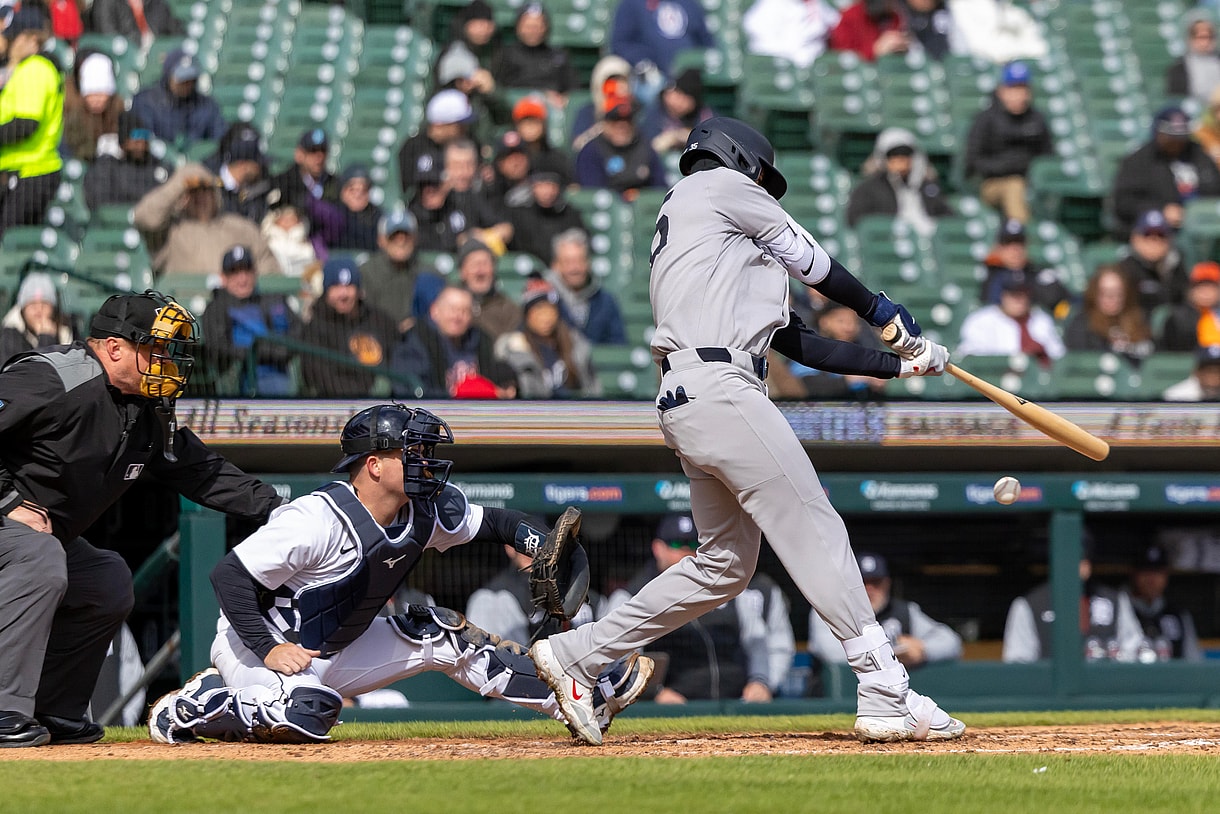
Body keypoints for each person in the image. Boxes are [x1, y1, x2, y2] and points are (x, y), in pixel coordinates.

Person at [526, 117, 962, 746]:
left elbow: (796, 341)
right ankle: (885, 686)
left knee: (726, 564)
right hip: (720, 388)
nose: (762, 187)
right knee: (814, 523)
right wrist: (880, 309)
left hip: (692, 394)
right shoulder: (718, 186)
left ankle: (579, 656)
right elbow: (813, 262)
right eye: (760, 176)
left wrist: (897, 363)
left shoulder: (711, 246)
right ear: (735, 158)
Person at [148, 404, 654, 745]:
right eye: (410, 452)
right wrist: (267, 649)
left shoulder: (425, 508)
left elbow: (498, 521)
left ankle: (572, 694)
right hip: (259, 648)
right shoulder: (316, 517)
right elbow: (229, 576)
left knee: (444, 633)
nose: (424, 461)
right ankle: (203, 703)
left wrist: (538, 543)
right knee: (309, 713)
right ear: (372, 465)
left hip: (338, 646)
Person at [0, 291, 283, 748]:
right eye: (154, 349)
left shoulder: (146, 409)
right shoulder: (54, 376)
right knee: (40, 557)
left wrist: (282, 509)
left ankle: (53, 710)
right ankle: (3, 709)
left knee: (107, 580)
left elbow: (202, 472)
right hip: (10, 524)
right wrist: (8, 498)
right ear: (114, 348)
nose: (166, 361)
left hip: (37, 538)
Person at [603, 513, 795, 703]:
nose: (686, 553)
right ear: (658, 548)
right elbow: (615, 660)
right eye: (677, 545)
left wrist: (760, 682)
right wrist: (653, 693)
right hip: (670, 706)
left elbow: (757, 641)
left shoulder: (727, 588)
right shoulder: (633, 595)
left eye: (694, 546)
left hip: (735, 703)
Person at [809, 552, 961, 671]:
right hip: (837, 697)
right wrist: (892, 653)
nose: (869, 590)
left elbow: (951, 642)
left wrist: (922, 651)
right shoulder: (830, 610)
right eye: (862, 582)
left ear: (887, 584)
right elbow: (831, 653)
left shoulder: (904, 611)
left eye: (876, 582)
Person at [1002, 539, 1143, 663]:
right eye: (1075, 558)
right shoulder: (1030, 604)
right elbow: (1018, 662)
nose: (1083, 565)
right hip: (1050, 691)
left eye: (1085, 558)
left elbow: (1133, 651)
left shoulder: (1114, 600)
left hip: (1107, 689)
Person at [133, 162, 281, 277]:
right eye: (193, 192)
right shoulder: (171, 230)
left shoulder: (240, 228)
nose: (200, 198)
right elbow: (145, 218)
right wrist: (180, 182)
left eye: (205, 190)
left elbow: (268, 265)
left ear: (215, 194)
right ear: (182, 197)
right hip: (182, 307)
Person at [199, 245, 299, 396]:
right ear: (223, 277)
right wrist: (261, 352)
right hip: (240, 377)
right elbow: (219, 348)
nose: (243, 278)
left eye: (247, 271)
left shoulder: (271, 301)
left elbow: (298, 331)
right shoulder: (216, 308)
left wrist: (276, 351)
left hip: (279, 372)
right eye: (235, 272)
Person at [964, 60, 1053, 224]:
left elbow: (1048, 156)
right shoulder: (986, 119)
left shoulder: (1036, 119)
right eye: (1013, 89)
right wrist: (1008, 166)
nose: (1018, 95)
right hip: (992, 183)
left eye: (1022, 89)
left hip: (1031, 181)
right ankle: (1025, 237)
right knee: (1014, 186)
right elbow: (974, 161)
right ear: (1001, 91)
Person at [389, 284, 517, 400]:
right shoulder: (415, 341)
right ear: (435, 311)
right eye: (452, 309)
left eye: (464, 311)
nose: (457, 317)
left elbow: (496, 373)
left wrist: (505, 386)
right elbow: (410, 390)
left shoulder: (480, 340)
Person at [1111, 106, 1220, 239]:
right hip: (1159, 232)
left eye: (1181, 137)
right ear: (1158, 133)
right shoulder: (1139, 161)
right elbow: (1124, 203)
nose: (1176, 142)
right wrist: (1161, 210)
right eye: (1171, 137)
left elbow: (1215, 188)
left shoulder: (1199, 155)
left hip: (1204, 226)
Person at [0, 7, 63, 237]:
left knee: (9, 242)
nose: (8, 44)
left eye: (13, 38)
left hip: (32, 172)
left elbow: (25, 124)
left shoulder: (35, 69)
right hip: (22, 172)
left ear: (29, 39)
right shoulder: (23, 70)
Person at [467, 539, 601, 647]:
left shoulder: (583, 591)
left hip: (585, 674)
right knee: (488, 603)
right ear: (509, 547)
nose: (533, 551)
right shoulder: (494, 596)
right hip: (526, 675)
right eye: (527, 543)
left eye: (541, 543)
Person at [297, 257, 399, 398]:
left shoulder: (380, 321)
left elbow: (400, 362)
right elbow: (320, 376)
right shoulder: (315, 329)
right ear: (326, 291)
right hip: (336, 407)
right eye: (336, 287)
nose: (343, 294)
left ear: (358, 290)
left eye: (349, 286)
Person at [493, 277, 601, 399]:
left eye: (550, 309)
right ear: (527, 315)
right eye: (539, 310)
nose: (546, 316)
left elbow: (592, 388)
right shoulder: (513, 348)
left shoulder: (575, 344)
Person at [767, 302, 889, 399]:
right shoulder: (809, 351)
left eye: (853, 322)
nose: (849, 328)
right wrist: (849, 381)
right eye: (841, 321)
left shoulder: (861, 354)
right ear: (824, 322)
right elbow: (803, 387)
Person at [846, 127, 952, 236]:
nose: (900, 160)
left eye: (905, 154)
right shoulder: (869, 189)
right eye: (894, 155)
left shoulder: (927, 187)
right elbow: (856, 221)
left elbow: (948, 218)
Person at [359, 210, 446, 335]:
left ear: (415, 238)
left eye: (406, 236)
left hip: (422, 339)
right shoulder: (367, 272)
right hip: (379, 336)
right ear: (381, 240)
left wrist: (418, 323)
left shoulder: (431, 273)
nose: (401, 241)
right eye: (393, 236)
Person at [956, 267, 1065, 366]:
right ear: (1002, 295)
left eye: (1023, 293)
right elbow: (968, 359)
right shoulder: (981, 320)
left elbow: (1059, 356)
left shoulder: (1042, 320)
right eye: (1014, 294)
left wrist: (1042, 354)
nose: (1019, 300)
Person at [129, 47, 225, 148]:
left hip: (196, 162)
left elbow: (220, 138)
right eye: (182, 79)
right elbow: (141, 143)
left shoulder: (206, 105)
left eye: (191, 78)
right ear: (169, 76)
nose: (187, 83)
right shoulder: (146, 102)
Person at [543, 228, 627, 345]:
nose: (575, 268)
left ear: (589, 262)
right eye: (568, 262)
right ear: (556, 265)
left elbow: (618, 345)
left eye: (580, 260)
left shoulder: (606, 301)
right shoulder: (545, 300)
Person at [574, 98, 667, 200]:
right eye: (615, 121)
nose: (622, 127)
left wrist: (640, 198)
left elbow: (660, 189)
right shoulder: (591, 151)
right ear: (604, 124)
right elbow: (593, 193)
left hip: (643, 208)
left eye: (627, 120)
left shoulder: (645, 147)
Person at [610, 0, 715, 89]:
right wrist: (642, 62)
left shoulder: (689, 3)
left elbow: (707, 42)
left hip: (688, 80)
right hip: (651, 78)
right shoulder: (632, 3)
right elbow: (620, 44)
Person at [1123, 544, 1202, 662]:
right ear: (1134, 574)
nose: (1152, 579)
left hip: (1172, 679)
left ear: (1166, 576)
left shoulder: (1178, 615)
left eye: (1157, 573)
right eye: (1146, 572)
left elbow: (1194, 664)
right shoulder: (1120, 610)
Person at [979, 219, 1072, 317]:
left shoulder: (1041, 276)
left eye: (1020, 242)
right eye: (1008, 243)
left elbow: (1065, 310)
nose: (1015, 249)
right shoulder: (988, 277)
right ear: (998, 247)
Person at [1062, 264, 1154, 365]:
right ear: (1094, 294)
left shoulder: (1141, 321)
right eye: (1105, 293)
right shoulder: (1082, 326)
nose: (1112, 298)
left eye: (1118, 292)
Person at [82, 110, 173, 210]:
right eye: (136, 138)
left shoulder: (159, 168)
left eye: (145, 137)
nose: (141, 144)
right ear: (123, 143)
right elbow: (100, 202)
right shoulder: (107, 168)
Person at [491, 3, 579, 104]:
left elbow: (573, 90)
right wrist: (542, 95)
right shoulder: (506, 55)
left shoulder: (559, 56)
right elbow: (496, 89)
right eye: (528, 26)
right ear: (518, 27)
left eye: (537, 26)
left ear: (546, 27)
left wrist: (564, 99)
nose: (533, 31)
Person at [506, 155, 585, 264]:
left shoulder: (570, 214)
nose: (547, 191)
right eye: (541, 185)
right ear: (533, 187)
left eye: (551, 184)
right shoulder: (520, 216)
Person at [397, 89, 475, 198]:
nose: (464, 130)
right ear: (440, 124)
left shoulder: (467, 144)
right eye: (459, 125)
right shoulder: (413, 148)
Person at [1115, 209, 1188, 315]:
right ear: (1135, 239)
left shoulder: (1176, 266)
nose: (1154, 241)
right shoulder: (1125, 269)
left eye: (1160, 235)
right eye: (1147, 235)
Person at [61, 50, 123, 162]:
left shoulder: (118, 110)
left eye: (101, 94)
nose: (96, 100)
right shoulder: (74, 114)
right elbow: (72, 145)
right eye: (91, 95)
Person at [0, 272, 76, 364]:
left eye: (44, 304)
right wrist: (47, 339)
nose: (39, 310)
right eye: (32, 304)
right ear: (23, 310)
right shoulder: (9, 337)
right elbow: (33, 375)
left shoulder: (68, 331)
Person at [742, 0, 841, 69]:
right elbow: (755, 32)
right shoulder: (772, 3)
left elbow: (834, 22)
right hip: (782, 65)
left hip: (815, 64)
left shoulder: (815, 3)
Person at [456, 237, 521, 341]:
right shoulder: (452, 306)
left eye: (485, 264)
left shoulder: (508, 308)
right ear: (462, 272)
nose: (480, 271)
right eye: (474, 264)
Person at [640, 67, 715, 156]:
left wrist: (678, 136)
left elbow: (712, 140)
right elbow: (647, 149)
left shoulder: (704, 114)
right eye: (678, 93)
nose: (679, 101)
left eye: (686, 97)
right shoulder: (654, 112)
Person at [570, 55, 634, 152]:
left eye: (621, 81)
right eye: (611, 82)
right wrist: (604, 128)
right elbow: (578, 146)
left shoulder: (636, 111)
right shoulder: (588, 111)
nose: (616, 87)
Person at [268, 128, 338, 214]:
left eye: (323, 150)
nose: (319, 157)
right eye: (313, 151)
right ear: (299, 154)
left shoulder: (335, 184)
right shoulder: (283, 183)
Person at [1158, 261, 1220, 352]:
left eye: (1211, 287)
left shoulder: (1216, 314)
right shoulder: (1177, 318)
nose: (1206, 292)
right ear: (1191, 289)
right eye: (1200, 286)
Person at [216, 125, 272, 224]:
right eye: (257, 165)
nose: (261, 170)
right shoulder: (211, 188)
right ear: (244, 165)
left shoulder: (255, 192)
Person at [1165, 10, 1220, 109]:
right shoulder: (1178, 69)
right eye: (1200, 37)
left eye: (1209, 37)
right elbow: (1176, 100)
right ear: (1190, 38)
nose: (1205, 42)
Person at [829, 0, 910, 62]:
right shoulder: (850, 17)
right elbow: (841, 59)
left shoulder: (894, 16)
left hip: (889, 73)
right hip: (858, 77)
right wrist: (875, 49)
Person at [89, 0, 184, 48]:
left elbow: (175, 28)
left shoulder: (155, 2)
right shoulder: (106, 3)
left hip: (158, 56)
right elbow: (109, 37)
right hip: (128, 57)